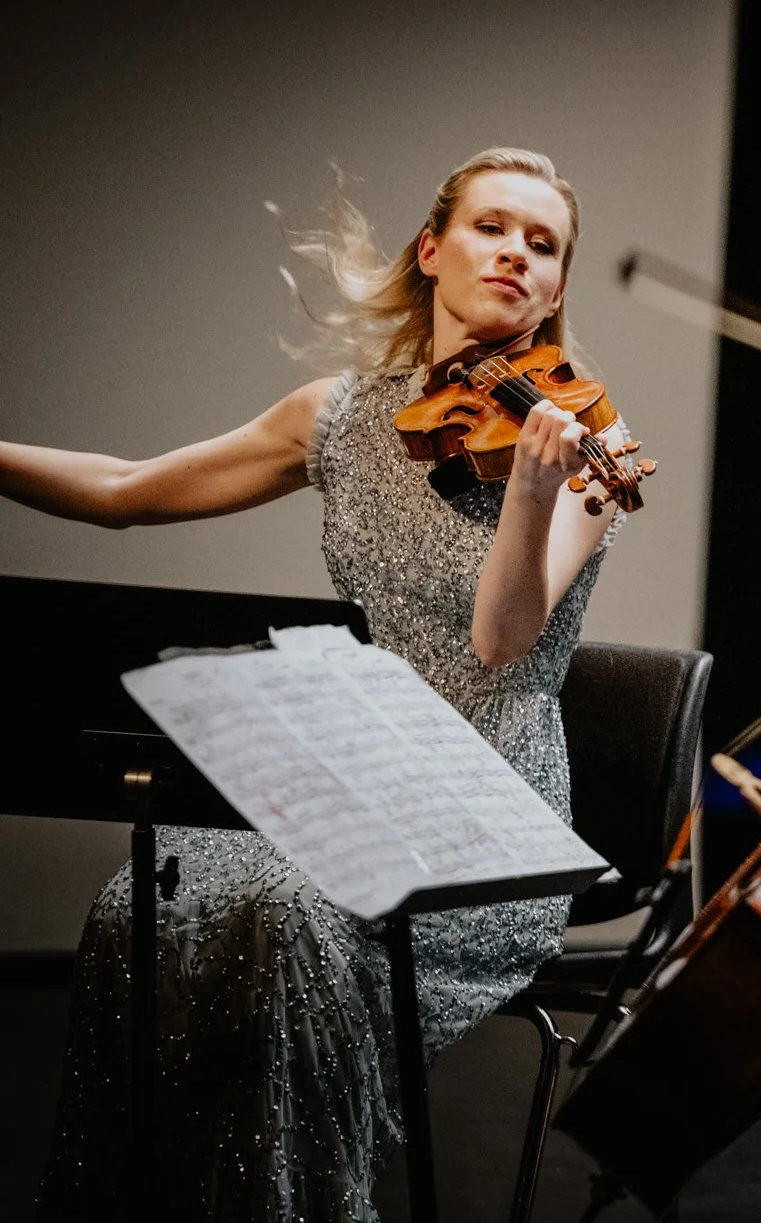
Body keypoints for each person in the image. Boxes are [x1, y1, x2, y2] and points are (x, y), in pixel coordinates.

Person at [5, 147, 628, 1219]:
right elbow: (121, 491)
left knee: (289, 914)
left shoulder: (587, 440)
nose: (517, 255)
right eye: (492, 227)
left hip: (488, 803)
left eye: (544, 244)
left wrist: (531, 491)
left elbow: (498, 639)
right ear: (433, 251)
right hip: (347, 776)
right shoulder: (338, 414)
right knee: (139, 902)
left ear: (559, 287)